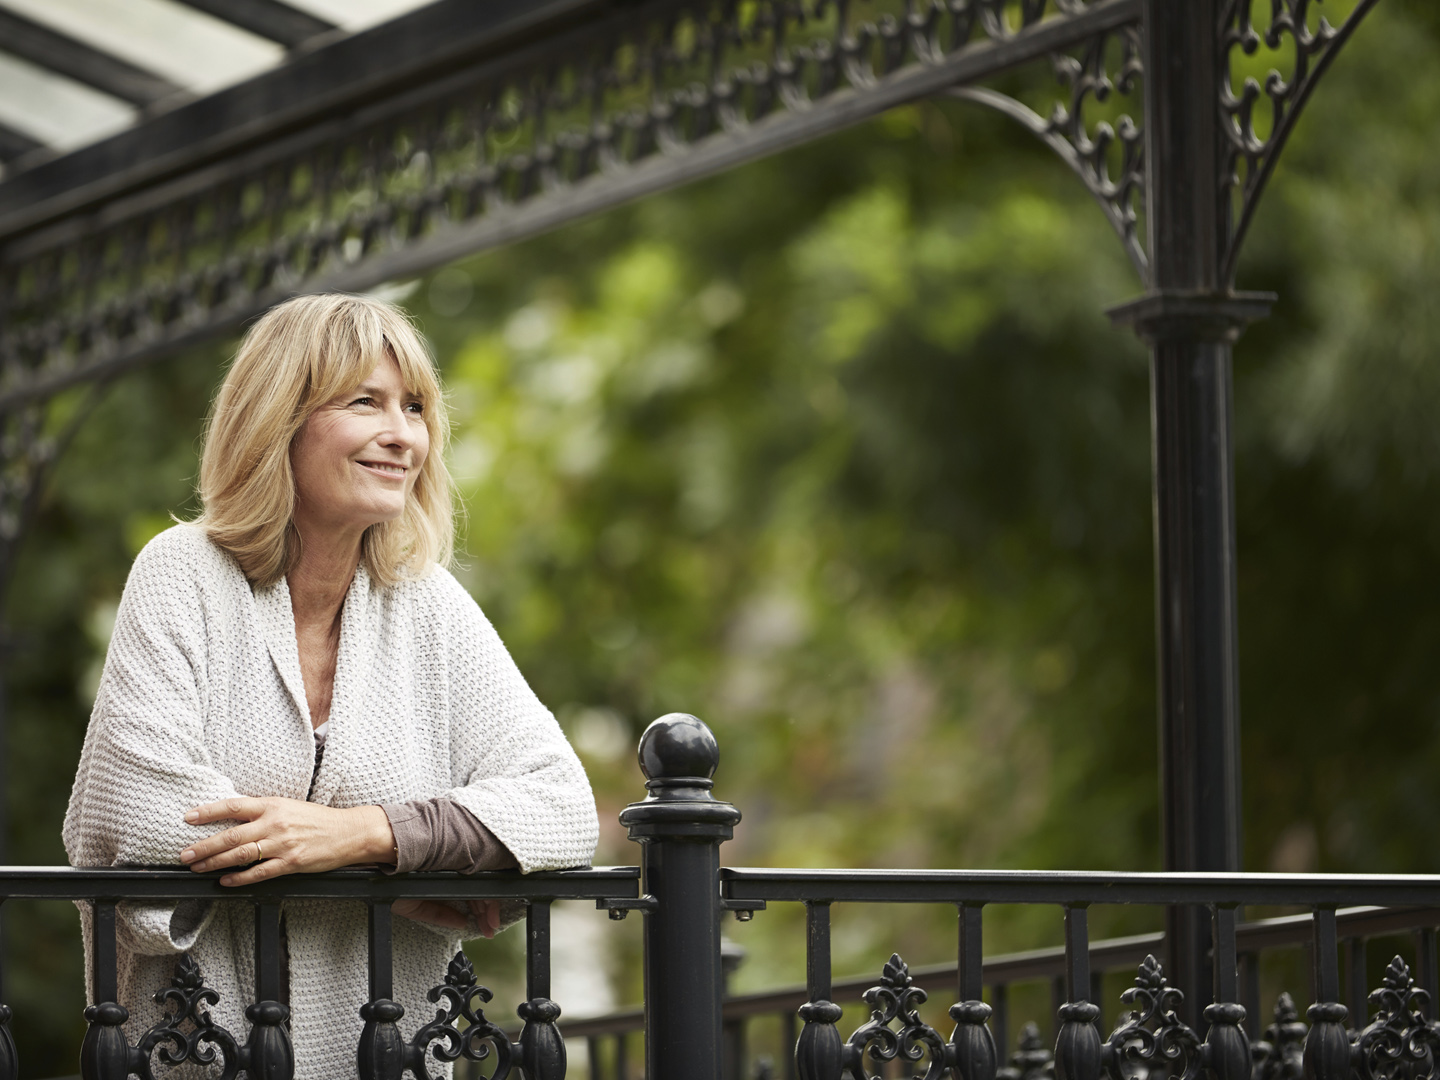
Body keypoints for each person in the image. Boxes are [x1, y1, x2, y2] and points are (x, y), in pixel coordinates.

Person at [62, 293, 599, 1078]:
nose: (402, 435)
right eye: (365, 403)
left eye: (414, 408)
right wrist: (416, 868)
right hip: (197, 1051)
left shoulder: (427, 602)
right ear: (280, 420)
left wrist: (366, 837)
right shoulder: (181, 572)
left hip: (389, 1052)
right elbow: (146, 822)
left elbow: (560, 808)